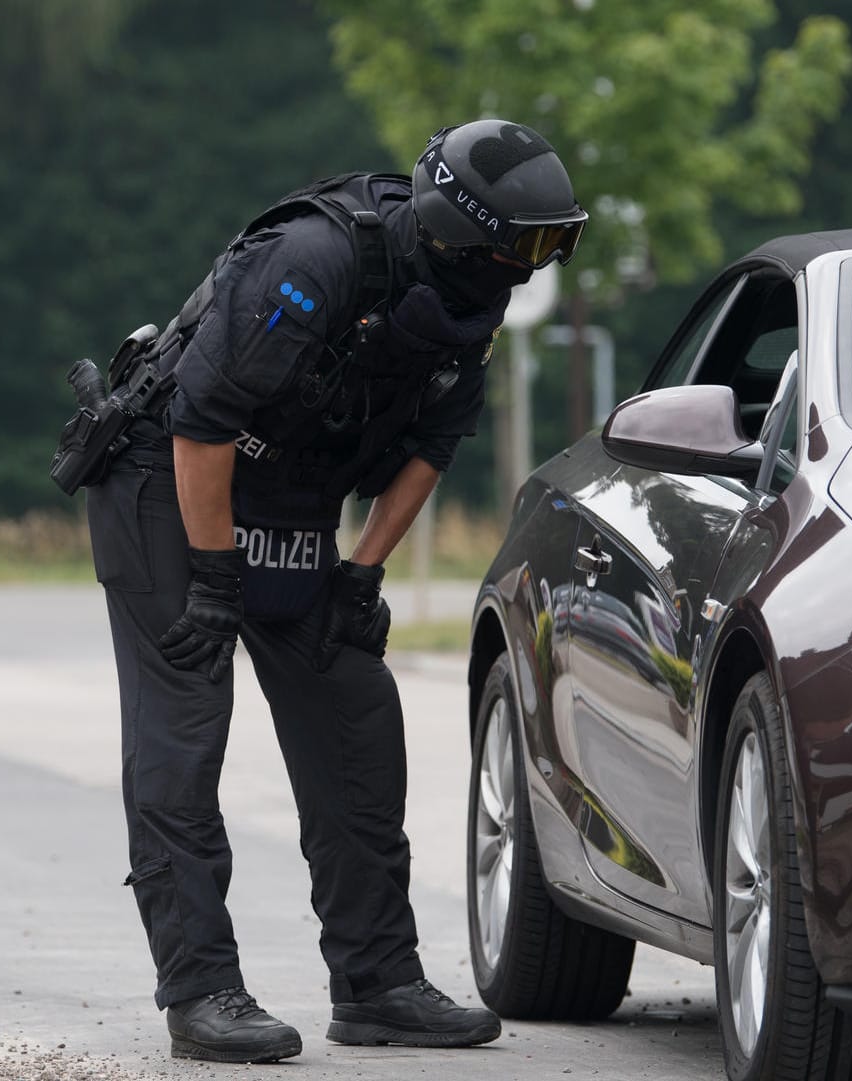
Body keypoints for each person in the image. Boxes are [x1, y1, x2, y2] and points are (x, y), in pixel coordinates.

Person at [80, 119, 586, 1063]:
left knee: (356, 721)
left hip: (295, 495)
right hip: (174, 484)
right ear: (454, 227)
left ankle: (379, 983)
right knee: (183, 738)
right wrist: (215, 575)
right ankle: (202, 991)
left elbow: (432, 447)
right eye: (519, 244)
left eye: (554, 245)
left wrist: (362, 572)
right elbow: (201, 417)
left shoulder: (463, 308)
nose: (529, 265)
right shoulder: (314, 260)